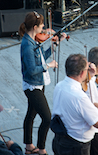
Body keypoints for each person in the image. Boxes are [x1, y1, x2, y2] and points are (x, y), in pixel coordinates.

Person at [18, 11, 66, 155]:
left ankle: (28, 147)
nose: (44, 27)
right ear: (34, 27)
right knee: (46, 118)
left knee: (31, 115)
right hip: (32, 86)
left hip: (38, 84)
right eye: (41, 25)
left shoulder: (33, 41)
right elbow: (32, 70)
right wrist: (49, 66)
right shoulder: (27, 45)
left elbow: (40, 59)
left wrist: (52, 47)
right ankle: (41, 149)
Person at [51, 53, 98, 155]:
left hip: (60, 140)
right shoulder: (80, 98)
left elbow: (78, 86)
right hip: (76, 147)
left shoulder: (59, 86)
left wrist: (91, 76)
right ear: (82, 73)